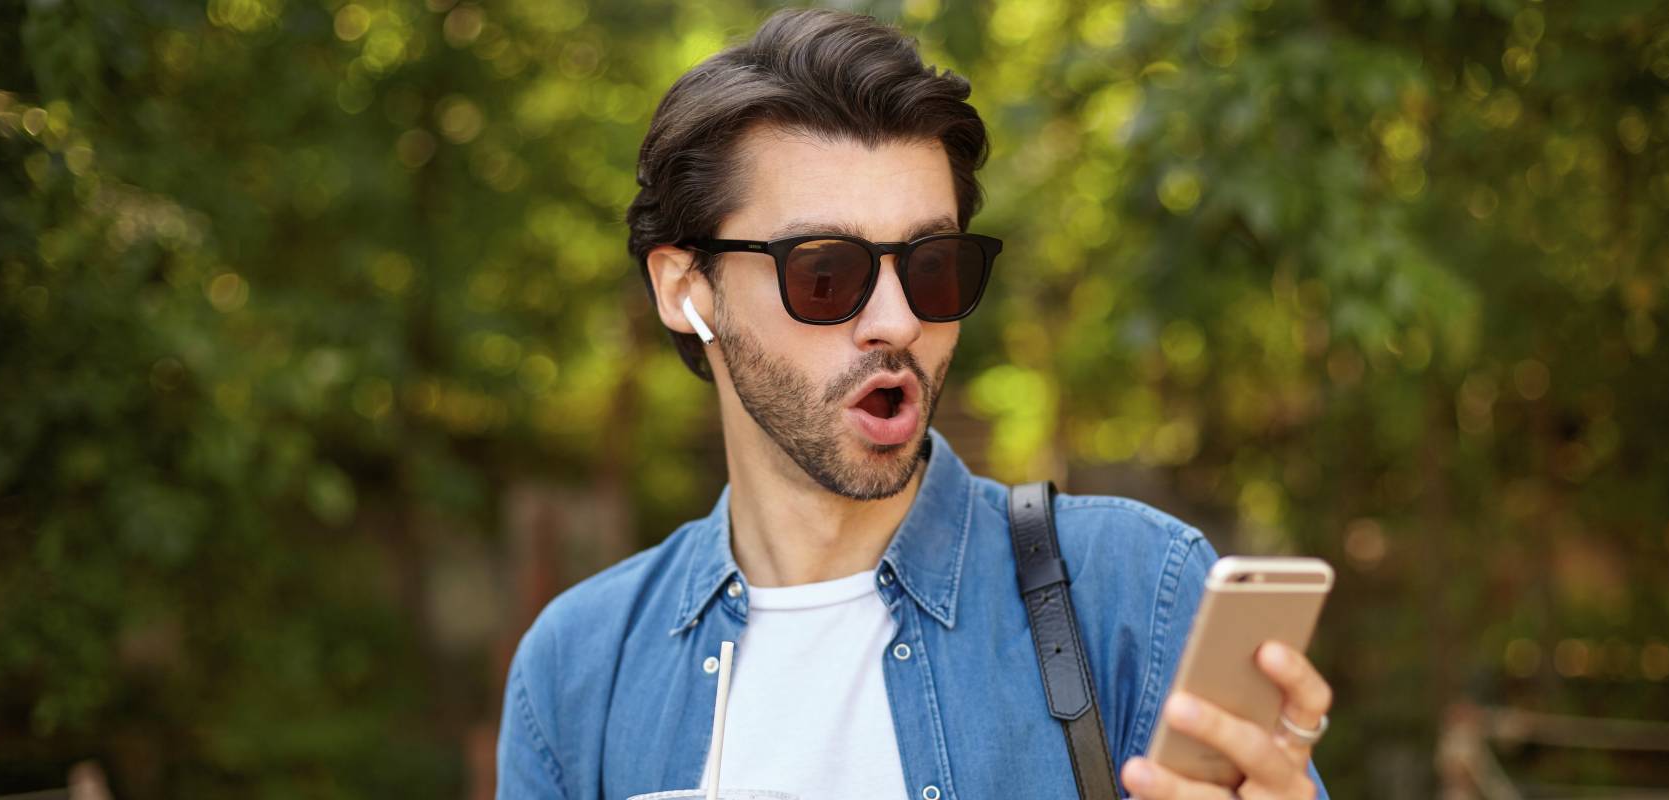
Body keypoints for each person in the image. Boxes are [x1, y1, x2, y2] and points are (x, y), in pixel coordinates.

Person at [496, 8, 1332, 800]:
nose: (897, 321)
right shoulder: (579, 669)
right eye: (825, 271)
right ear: (688, 291)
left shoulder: (1133, 593)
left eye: (933, 266)